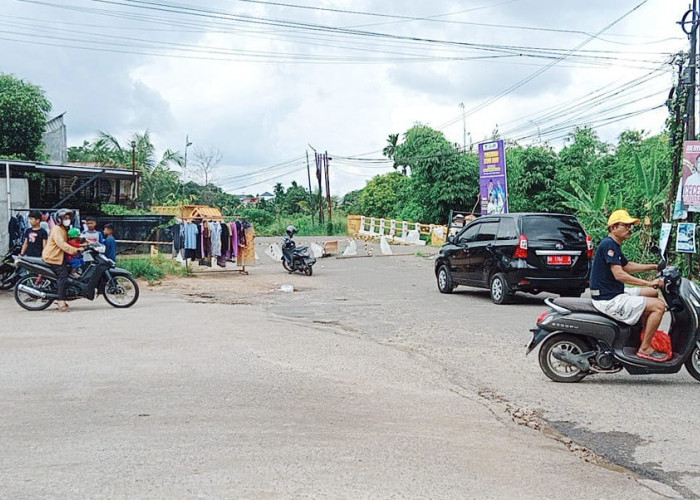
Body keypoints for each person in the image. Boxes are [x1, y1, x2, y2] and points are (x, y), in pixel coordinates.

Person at [589, 209, 667, 362]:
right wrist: (649, 282)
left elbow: (627, 266)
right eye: (626, 225)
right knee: (659, 306)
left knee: (651, 294)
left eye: (630, 226)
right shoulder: (609, 246)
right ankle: (644, 348)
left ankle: (643, 336)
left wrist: (653, 267)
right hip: (608, 299)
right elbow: (620, 274)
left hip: (614, 292)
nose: (630, 229)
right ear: (613, 227)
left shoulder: (613, 245)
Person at [42, 209, 87, 312]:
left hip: (61, 256)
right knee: (63, 276)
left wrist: (88, 242)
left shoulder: (65, 229)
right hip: (53, 257)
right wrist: (74, 250)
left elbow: (74, 238)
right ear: (59, 219)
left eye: (69, 218)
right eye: (65, 218)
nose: (67, 220)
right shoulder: (57, 229)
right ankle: (60, 300)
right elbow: (62, 244)